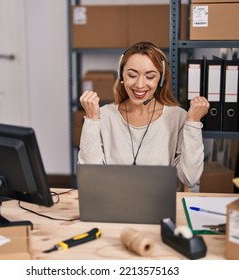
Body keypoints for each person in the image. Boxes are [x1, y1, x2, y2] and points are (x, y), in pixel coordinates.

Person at [78, 41, 209, 187]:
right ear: (121, 76)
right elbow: (90, 177)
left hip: (159, 207)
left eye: (150, 76)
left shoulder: (177, 117)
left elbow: (190, 178)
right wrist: (91, 120)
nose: (140, 84)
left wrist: (193, 123)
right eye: (132, 75)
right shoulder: (104, 115)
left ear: (161, 80)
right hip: (113, 204)